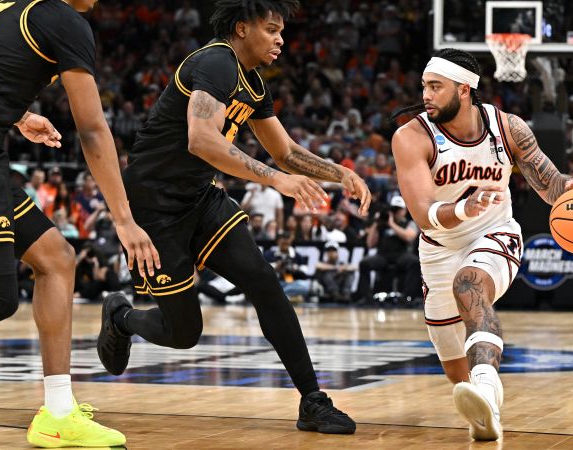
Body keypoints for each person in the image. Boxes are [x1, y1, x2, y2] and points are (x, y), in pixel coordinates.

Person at [97, 0, 371, 435]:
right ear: (242, 28)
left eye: (282, 31)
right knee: (184, 332)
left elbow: (285, 151)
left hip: (199, 199)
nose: (281, 39)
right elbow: (202, 141)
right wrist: (278, 182)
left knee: (264, 282)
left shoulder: (254, 83)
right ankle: (121, 318)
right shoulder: (215, 61)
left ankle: (312, 401)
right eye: (271, 29)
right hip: (153, 207)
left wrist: (341, 173)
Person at [0, 0, 160, 447]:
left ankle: (57, 411)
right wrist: (123, 219)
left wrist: (18, 115)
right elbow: (93, 129)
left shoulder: (6, 8)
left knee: (57, 257)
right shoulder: (65, 20)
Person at [390, 48, 573, 440]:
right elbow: (423, 213)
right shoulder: (411, 136)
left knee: (469, 283)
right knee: (457, 372)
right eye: (424, 85)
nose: (425, 94)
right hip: (438, 247)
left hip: (495, 233)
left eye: (435, 87)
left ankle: (490, 392)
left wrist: (570, 187)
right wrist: (463, 208)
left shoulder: (508, 128)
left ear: (463, 89)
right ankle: (484, 413)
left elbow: (548, 182)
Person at [354, 195, 421, 302]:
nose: (396, 212)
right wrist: (376, 224)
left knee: (415, 263)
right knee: (364, 263)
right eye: (394, 209)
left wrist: (392, 224)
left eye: (399, 209)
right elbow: (370, 244)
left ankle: (408, 297)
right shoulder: (381, 224)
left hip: (401, 254)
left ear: (404, 210)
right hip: (383, 255)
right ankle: (366, 298)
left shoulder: (408, 223)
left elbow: (409, 237)